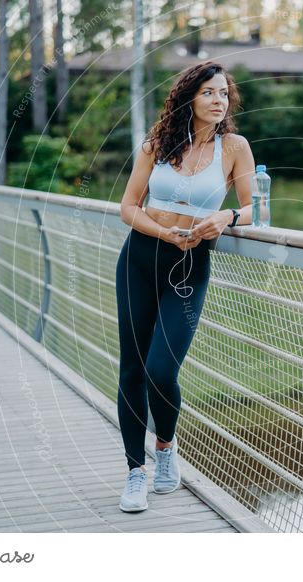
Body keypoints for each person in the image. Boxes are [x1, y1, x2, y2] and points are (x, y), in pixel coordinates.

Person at [115, 62, 255, 512]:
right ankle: (135, 472)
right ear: (190, 97)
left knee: (161, 368)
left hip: (190, 264)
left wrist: (225, 217)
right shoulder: (156, 145)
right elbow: (129, 206)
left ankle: (165, 451)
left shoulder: (234, 147)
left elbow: (257, 209)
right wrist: (161, 233)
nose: (219, 101)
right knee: (132, 369)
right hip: (140, 257)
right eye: (210, 93)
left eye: (225, 94)